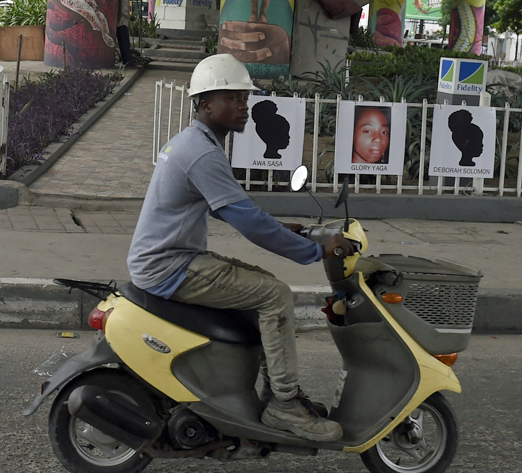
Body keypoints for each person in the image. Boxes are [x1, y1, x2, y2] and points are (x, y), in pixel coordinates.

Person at [127, 54, 354, 442]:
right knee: (275, 294)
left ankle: (276, 395)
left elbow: (225, 209)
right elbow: (247, 222)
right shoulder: (201, 152)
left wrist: (287, 229)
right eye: (231, 98)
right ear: (205, 104)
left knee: (261, 286)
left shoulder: (195, 143)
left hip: (171, 258)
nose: (242, 106)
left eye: (244, 98)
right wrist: (317, 251)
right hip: (170, 266)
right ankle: (284, 407)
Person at [117, 0, 137, 67]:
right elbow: (123, 11)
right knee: (125, 44)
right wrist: (130, 17)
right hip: (122, 23)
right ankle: (128, 62)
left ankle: (126, 60)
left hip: (120, 23)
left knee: (123, 43)